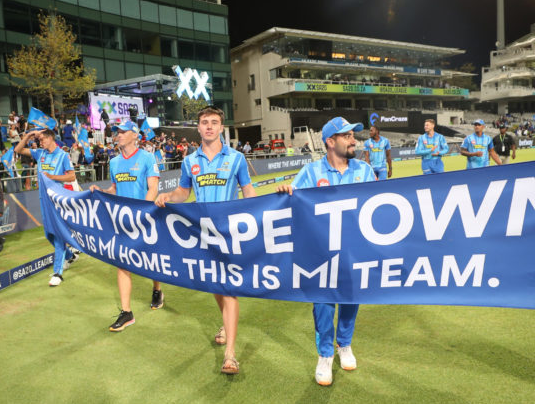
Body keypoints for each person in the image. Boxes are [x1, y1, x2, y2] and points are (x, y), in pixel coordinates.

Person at [155, 106, 256, 376]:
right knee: (216, 286)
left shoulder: (235, 158)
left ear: (221, 127)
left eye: (214, 122)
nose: (209, 126)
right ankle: (226, 323)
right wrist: (167, 196)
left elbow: (248, 191)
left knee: (230, 287)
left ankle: (230, 354)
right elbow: (183, 192)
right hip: (202, 234)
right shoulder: (189, 160)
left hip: (230, 233)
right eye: (204, 122)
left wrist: (263, 213)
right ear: (198, 128)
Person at [276, 117, 375, 387]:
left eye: (353, 135)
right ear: (330, 142)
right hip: (319, 250)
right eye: (347, 136)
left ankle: (344, 344)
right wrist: (287, 191)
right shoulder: (310, 171)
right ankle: (325, 354)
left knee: (351, 297)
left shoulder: (364, 170)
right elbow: (293, 194)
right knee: (322, 301)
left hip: (354, 248)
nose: (354, 140)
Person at [89, 120, 163, 332]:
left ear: (134, 135)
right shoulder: (114, 162)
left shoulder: (148, 157)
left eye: (122, 131)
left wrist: (142, 213)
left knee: (152, 261)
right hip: (122, 221)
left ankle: (157, 290)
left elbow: (153, 188)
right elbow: (114, 188)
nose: (118, 135)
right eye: (116, 132)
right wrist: (101, 192)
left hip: (144, 218)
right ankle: (126, 312)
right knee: (122, 263)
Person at [15, 128, 77, 286]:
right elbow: (18, 149)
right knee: (48, 234)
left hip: (57, 200)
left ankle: (58, 273)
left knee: (58, 235)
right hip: (43, 198)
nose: (39, 142)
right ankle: (69, 255)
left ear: (50, 138)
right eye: (38, 140)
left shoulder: (62, 155)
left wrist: (52, 177)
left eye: (41, 139)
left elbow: (71, 176)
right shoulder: (40, 153)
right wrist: (28, 135)